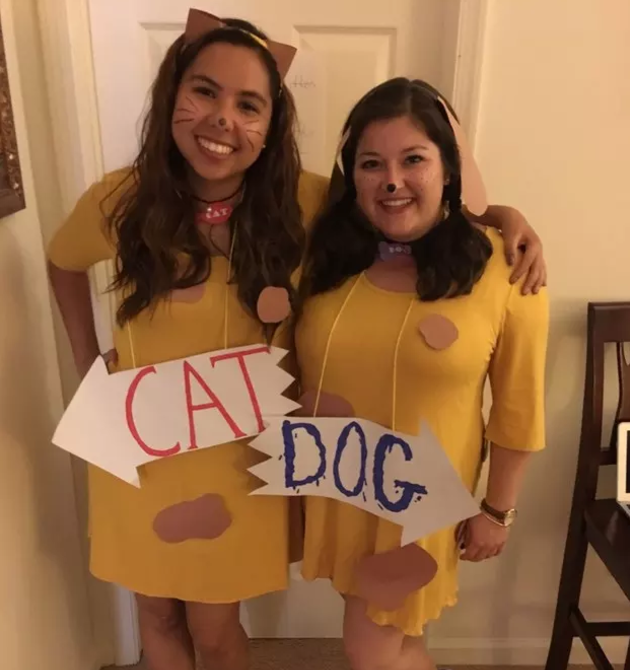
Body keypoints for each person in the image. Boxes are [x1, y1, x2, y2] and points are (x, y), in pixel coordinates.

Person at [47, 8, 544, 670]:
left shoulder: (303, 203)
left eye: (249, 104)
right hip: (140, 447)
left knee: (218, 627)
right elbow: (62, 260)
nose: (224, 119)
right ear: (172, 95)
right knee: (156, 614)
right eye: (204, 91)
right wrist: (86, 363)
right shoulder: (123, 200)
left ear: (270, 127)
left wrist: (506, 217)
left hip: (240, 457)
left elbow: (403, 199)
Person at [296, 78, 549, 670]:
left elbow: (519, 407)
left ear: (450, 168)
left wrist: (497, 511)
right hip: (338, 488)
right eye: (371, 163)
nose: (392, 180)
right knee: (398, 640)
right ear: (351, 176)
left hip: (421, 505)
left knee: (370, 649)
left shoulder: (505, 272)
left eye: (414, 159)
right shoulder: (327, 256)